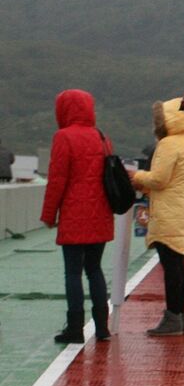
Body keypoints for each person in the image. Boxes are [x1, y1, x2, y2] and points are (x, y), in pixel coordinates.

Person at [41, 89, 114, 343]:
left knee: (72, 273)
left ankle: (75, 328)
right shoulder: (101, 137)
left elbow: (57, 180)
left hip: (74, 214)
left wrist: (49, 215)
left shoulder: (63, 137)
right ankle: (103, 327)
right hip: (101, 214)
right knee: (94, 269)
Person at [130, 99, 184, 336]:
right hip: (180, 208)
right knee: (178, 265)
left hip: (167, 210)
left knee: (170, 267)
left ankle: (172, 317)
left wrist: (135, 175)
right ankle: (180, 316)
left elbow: (159, 179)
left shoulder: (169, 143)